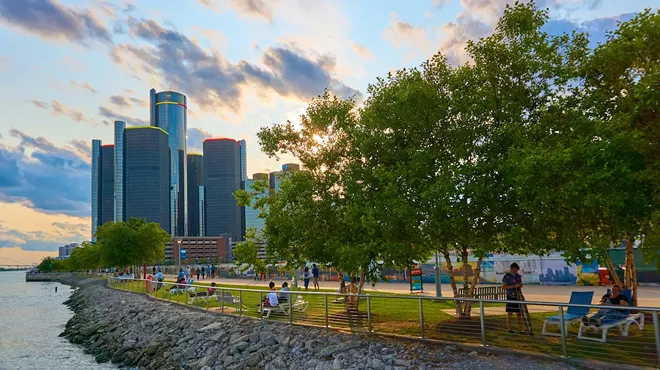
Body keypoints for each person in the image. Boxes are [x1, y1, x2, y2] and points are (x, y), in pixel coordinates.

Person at [502, 262, 523, 333]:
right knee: (510, 312)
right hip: (510, 296)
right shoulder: (507, 276)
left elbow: (520, 284)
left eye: (516, 270)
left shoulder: (518, 276)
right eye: (514, 270)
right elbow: (504, 287)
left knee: (519, 313)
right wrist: (513, 286)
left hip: (518, 295)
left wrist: (520, 285)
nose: (515, 272)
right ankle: (509, 328)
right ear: (510, 269)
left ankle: (520, 328)